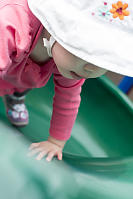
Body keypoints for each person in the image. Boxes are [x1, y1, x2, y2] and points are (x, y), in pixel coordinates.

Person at [0, 0, 133, 161]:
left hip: (22, 77)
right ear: (58, 26)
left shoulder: (70, 59)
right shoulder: (10, 24)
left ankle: (15, 97)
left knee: (22, 83)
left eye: (102, 61)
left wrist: (56, 142)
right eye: (85, 53)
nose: (91, 69)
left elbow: (68, 97)